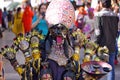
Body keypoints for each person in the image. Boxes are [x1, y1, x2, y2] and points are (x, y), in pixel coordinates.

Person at [94, 0, 119, 80]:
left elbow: (98, 32)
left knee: (97, 67)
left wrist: (95, 44)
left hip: (101, 45)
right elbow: (116, 31)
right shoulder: (115, 15)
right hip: (112, 44)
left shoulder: (98, 15)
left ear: (101, 4)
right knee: (110, 67)